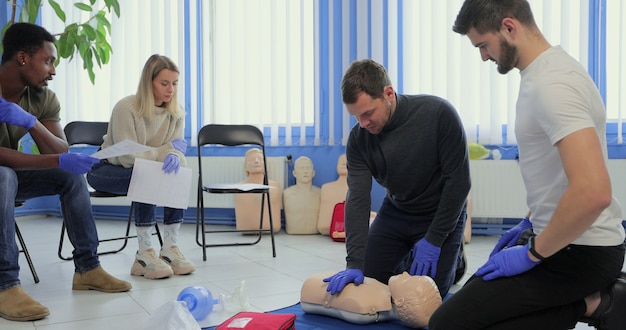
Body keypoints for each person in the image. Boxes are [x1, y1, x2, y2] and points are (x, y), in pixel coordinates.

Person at [429, 1, 626, 329]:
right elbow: (557, 175)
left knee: (447, 325)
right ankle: (591, 302)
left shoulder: (553, 86)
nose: (483, 57)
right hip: (560, 238)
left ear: (509, 27)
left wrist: (532, 253)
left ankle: (594, 302)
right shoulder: (545, 73)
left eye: (483, 45)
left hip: (583, 250)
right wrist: (527, 223)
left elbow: (594, 193)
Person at [0, 22, 131, 322]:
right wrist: (55, 161)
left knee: (70, 176)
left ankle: (88, 269)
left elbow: (59, 153)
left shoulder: (42, 97)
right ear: (22, 58)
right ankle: (5, 285)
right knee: (3, 175)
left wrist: (31, 123)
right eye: (48, 61)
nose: (53, 71)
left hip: (10, 177)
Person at [323, 59, 471, 299]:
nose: (363, 124)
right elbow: (358, 199)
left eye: (368, 113)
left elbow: (460, 183)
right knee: (368, 281)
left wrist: (434, 239)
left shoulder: (438, 114)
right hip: (397, 211)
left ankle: (454, 259)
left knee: (426, 295)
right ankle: (408, 255)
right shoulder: (359, 139)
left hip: (440, 211)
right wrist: (354, 262)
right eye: (356, 117)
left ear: (388, 93)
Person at [87, 54, 195, 280]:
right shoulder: (126, 108)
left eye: (175, 83)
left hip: (142, 169)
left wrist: (173, 153)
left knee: (176, 173)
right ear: (149, 82)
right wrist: (164, 150)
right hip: (106, 170)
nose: (171, 90)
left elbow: (177, 152)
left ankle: (169, 249)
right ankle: (144, 254)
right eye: (164, 83)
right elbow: (128, 156)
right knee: (146, 175)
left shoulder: (176, 112)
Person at [234, 148, 282, 233]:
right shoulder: (239, 187)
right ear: (245, 167)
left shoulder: (275, 186)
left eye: (260, 159)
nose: (256, 161)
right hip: (245, 228)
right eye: (251, 160)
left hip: (272, 227)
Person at [283, 156, 321, 234]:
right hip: (292, 233)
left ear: (313, 173)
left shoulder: (320, 193)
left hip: (315, 236)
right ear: (294, 173)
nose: (305, 171)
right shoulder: (287, 194)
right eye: (301, 168)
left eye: (308, 168)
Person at [317, 154, 348, 235]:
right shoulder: (326, 188)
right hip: (324, 230)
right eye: (341, 162)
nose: (344, 164)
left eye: (347, 161)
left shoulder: (357, 189)